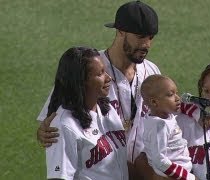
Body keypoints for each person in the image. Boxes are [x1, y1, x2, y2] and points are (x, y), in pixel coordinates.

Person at [37, 1, 160, 177]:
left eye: (151, 37)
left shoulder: (152, 71)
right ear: (120, 31)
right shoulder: (87, 67)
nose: (147, 44)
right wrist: (43, 131)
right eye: (141, 36)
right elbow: (53, 122)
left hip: (139, 170)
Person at [45, 46, 128, 180]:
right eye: (100, 74)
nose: (109, 78)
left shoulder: (108, 110)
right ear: (81, 81)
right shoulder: (65, 125)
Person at [140, 75, 196, 180]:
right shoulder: (160, 126)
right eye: (170, 95)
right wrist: (188, 177)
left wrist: (199, 116)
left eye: (176, 93)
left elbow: (184, 106)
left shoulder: (163, 114)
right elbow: (160, 161)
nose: (178, 98)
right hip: (173, 175)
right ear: (154, 102)